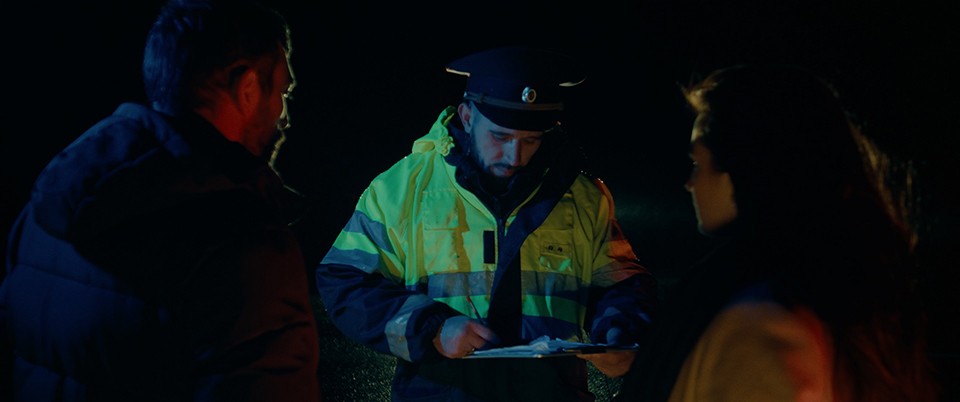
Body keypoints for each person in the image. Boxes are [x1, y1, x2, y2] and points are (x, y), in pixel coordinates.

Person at [0, 1, 321, 401]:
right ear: (247, 87)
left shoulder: (45, 212)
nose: (285, 116)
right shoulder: (243, 246)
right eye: (283, 92)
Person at [314, 46, 657, 401]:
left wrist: (621, 333)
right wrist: (433, 329)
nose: (514, 155)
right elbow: (344, 279)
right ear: (466, 116)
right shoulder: (403, 189)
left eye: (531, 140)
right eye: (500, 136)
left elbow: (622, 284)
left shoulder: (584, 198)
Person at [614, 64, 939, 402]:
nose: (689, 183)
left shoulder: (759, 322)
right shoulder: (831, 293)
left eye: (698, 163)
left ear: (744, 164)